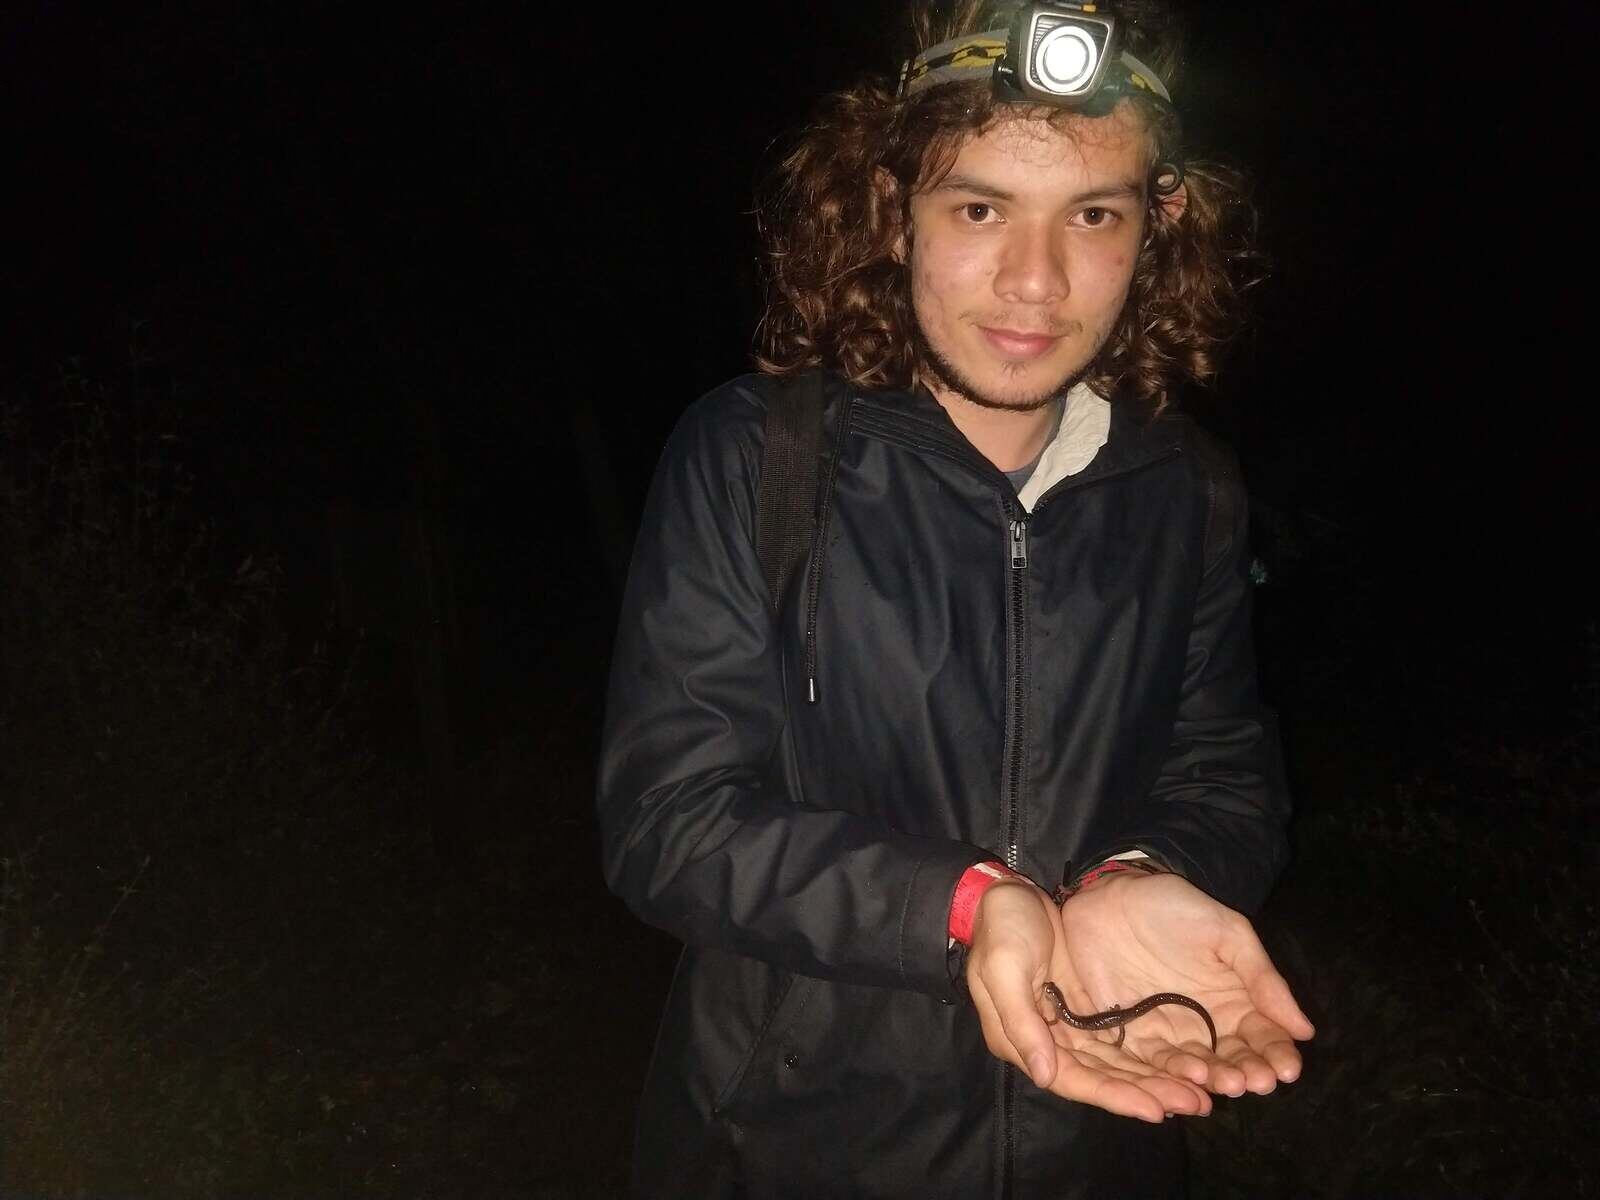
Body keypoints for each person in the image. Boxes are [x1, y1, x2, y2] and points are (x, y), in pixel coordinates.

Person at [597, 2, 1314, 1195]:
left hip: (1097, 1133)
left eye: (1092, 215)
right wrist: (968, 906)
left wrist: (1133, 877)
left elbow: (1227, 775)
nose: (1033, 282)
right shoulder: (757, 457)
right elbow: (669, 818)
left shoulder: (1183, 489)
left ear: (1158, 227)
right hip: (789, 1148)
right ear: (894, 212)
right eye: (979, 208)